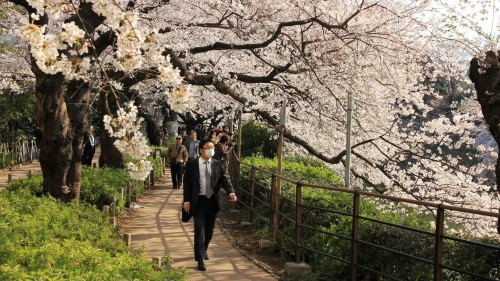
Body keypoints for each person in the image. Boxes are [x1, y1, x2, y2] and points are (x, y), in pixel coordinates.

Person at [183, 139, 237, 271]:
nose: (211, 150)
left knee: (209, 230)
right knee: (199, 228)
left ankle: (204, 249)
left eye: (212, 147)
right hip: (198, 201)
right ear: (201, 150)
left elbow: (224, 179)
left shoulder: (218, 164)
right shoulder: (192, 164)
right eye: (208, 147)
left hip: (213, 201)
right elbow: (187, 184)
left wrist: (231, 192)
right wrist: (187, 201)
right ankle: (200, 259)